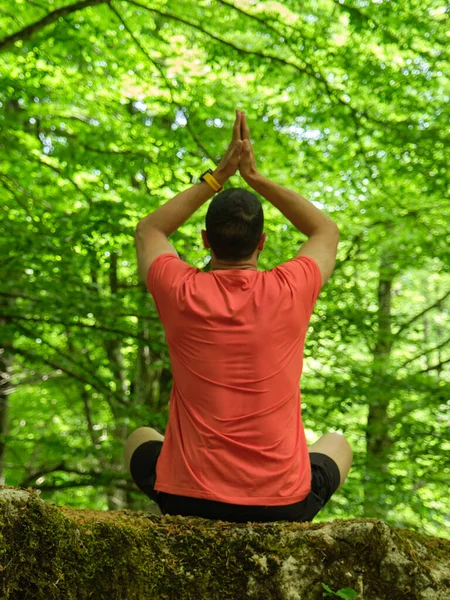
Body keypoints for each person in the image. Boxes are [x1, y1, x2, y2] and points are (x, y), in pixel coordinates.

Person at [125, 109, 352, 522]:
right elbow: (325, 231)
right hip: (281, 505)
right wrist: (255, 178)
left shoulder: (180, 290)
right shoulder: (290, 288)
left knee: (139, 438)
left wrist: (218, 177)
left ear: (205, 240)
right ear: (261, 242)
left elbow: (149, 230)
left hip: (188, 501)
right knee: (337, 443)